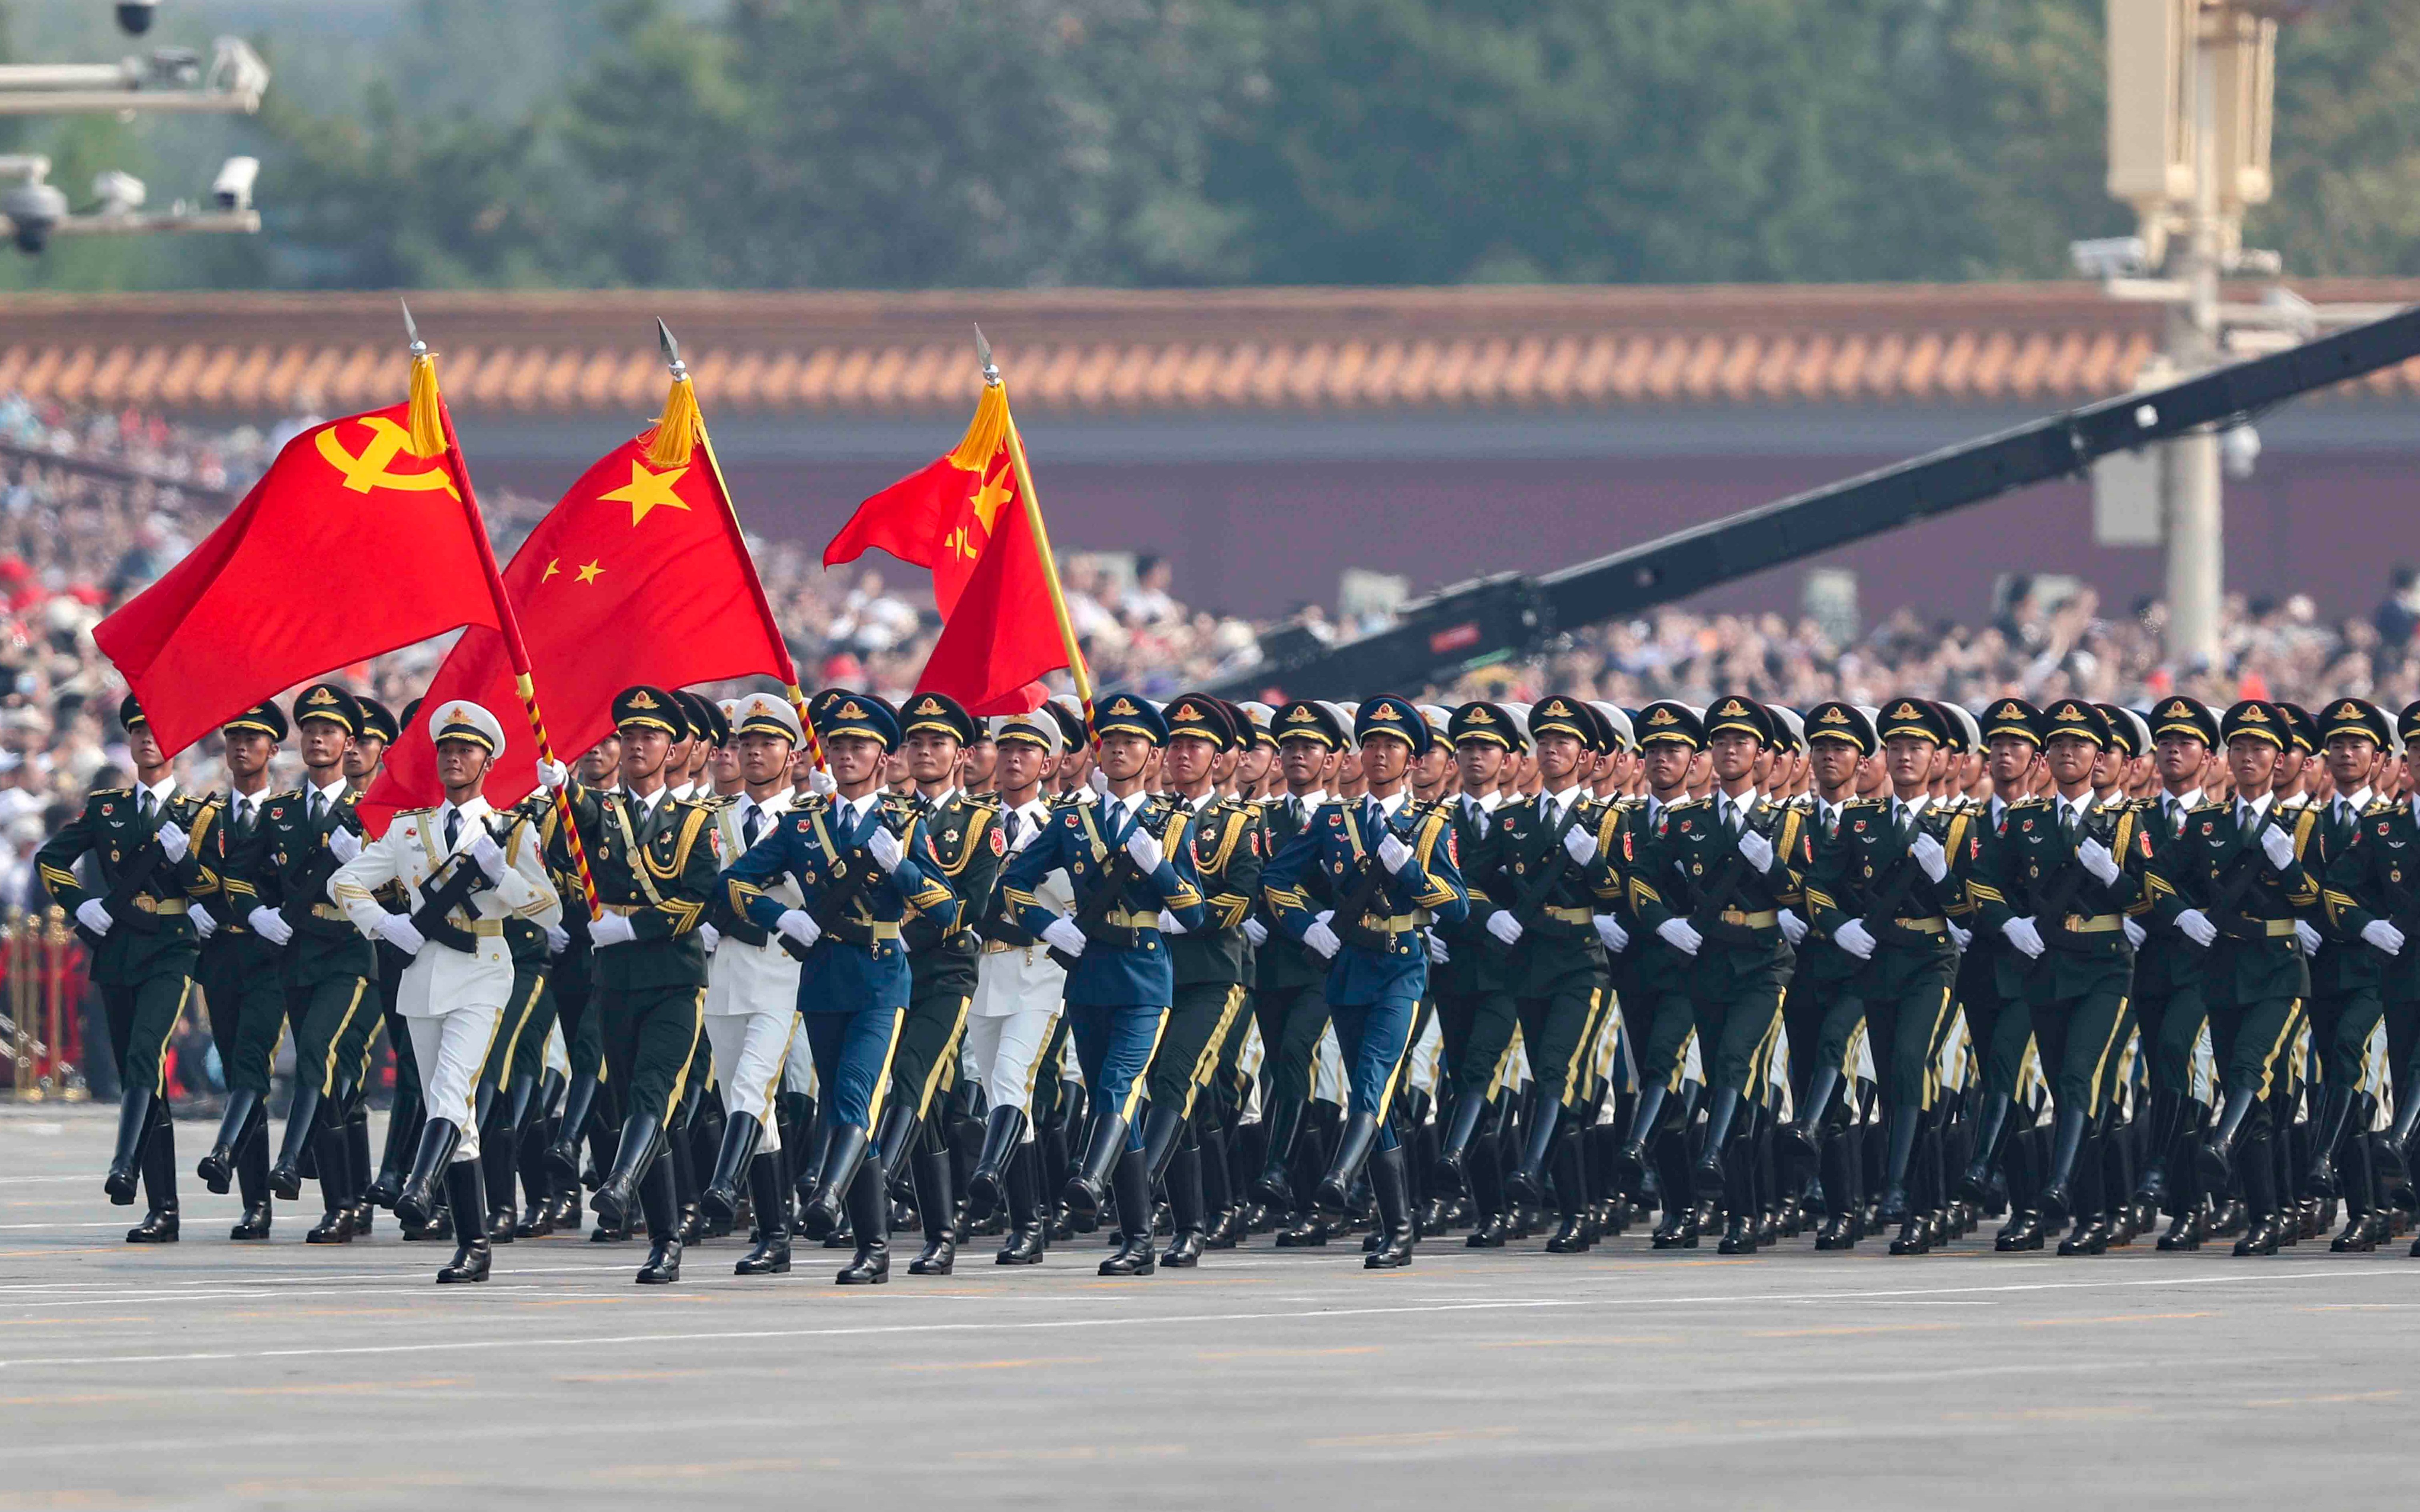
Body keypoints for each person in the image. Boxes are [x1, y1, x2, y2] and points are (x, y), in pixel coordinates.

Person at [719, 690, 953, 1285]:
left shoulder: (905, 821)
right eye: (839, 744)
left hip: (879, 979)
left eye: (860, 746)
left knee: (856, 1096)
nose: (847, 754)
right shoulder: (804, 824)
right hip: (822, 978)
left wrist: (901, 866)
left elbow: (948, 910)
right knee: (839, 1108)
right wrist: (780, 917)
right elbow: (733, 886)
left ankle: (827, 1199)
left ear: (884, 757)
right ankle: (873, 1248)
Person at [330, 699, 559, 1283]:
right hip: (424, 972)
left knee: (454, 1087)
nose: (455, 758)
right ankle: (474, 1246)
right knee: (449, 1108)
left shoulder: (511, 829)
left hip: (485, 967)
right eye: (448, 750)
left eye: (467, 750)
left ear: (488, 762)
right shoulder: (412, 828)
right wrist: (384, 925)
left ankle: (419, 1183)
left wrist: (501, 874)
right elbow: (346, 881)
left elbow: (549, 907)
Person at [998, 693, 1207, 1276]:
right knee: (1118, 1108)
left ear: (1153, 754)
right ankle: (1138, 1239)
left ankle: (1089, 1179)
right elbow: (1014, 885)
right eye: (1110, 741)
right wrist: (1050, 926)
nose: (1119, 750)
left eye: (1132, 742)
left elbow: (1195, 914)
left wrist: (1159, 866)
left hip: (1144, 979)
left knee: (1116, 1089)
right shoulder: (1071, 820)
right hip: (1088, 977)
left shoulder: (1171, 822)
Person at [1262, 694, 1468, 1269]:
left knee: (1371, 1087)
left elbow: (1458, 908)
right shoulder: (1335, 819)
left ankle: (1339, 1177)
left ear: (1413, 758)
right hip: (1348, 968)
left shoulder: (1430, 826)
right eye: (1372, 744)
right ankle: (1398, 1228)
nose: (1380, 755)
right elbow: (1277, 880)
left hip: (1403, 967)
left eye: (1392, 747)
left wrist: (1412, 874)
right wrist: (1310, 927)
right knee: (1373, 1100)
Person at [537, 686, 720, 1284]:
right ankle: (665, 1241)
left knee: (654, 1092)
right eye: (629, 736)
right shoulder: (602, 811)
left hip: (674, 977)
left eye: (650, 737)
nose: (638, 745)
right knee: (639, 1106)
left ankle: (619, 1181)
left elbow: (698, 897)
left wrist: (633, 926)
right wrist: (561, 787)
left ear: (672, 749)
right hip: (613, 980)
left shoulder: (697, 820)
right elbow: (581, 818)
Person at [1967, 700, 2150, 1254]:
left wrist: (2115, 878)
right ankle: (2075, 1208)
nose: (2070, 752)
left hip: (2105, 967)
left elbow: (2154, 897)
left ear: (2099, 758)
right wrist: (2009, 923)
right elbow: (1980, 883)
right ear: (2046, 758)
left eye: (2082, 745)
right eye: (2061, 745)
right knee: (2054, 1088)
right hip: (2043, 967)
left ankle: (2065, 1191)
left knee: (2079, 1080)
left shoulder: (2127, 823)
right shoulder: (2025, 821)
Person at [35, 694, 213, 1242]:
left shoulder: (200, 813)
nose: (146, 741)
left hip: (171, 946)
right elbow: (50, 859)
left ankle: (124, 1162)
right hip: (118, 950)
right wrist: (77, 904)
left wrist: (189, 864)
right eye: (136, 732)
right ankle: (164, 1210)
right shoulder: (108, 807)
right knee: (144, 1072)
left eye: (156, 731)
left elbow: (218, 887)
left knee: (145, 1053)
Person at [2148, 699, 2324, 1256]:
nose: (2249, 757)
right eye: (2241, 748)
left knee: (2252, 1067)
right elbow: (2158, 877)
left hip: (2278, 970)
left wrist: (2289, 864)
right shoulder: (2206, 825)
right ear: (2227, 758)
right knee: (2257, 1101)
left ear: (2280, 760)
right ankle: (2266, 1218)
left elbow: (2314, 901)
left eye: (2261, 749)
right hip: (2221, 970)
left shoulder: (2304, 824)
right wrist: (2183, 914)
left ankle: (2219, 1142)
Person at [1634, 696, 1806, 1255]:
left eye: (1742, 742)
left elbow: (1809, 895)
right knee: (1731, 1084)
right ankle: (1742, 1213)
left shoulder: (1785, 821)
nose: (1731, 750)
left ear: (1762, 754)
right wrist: (1666, 925)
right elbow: (1640, 881)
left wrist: (1774, 870)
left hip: (1764, 962)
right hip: (1707, 963)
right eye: (1722, 742)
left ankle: (1712, 1157)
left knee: (1734, 1065)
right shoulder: (1688, 822)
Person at [1467, 695, 1615, 1253]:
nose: (1552, 750)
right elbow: (1472, 883)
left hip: (1582, 961)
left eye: (1564, 742)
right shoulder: (1513, 819)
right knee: (1554, 1082)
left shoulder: (1606, 819)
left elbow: (1619, 892)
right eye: (1545, 742)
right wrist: (1493, 915)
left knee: (1559, 1072)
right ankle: (1575, 1211)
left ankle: (1537, 1174)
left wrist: (1594, 862)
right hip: (1528, 962)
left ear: (1586, 755)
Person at [879, 691, 1004, 1278]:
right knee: (925, 1109)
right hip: (882, 974)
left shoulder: (982, 822)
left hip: (944, 973)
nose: (926, 752)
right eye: (917, 743)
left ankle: (874, 1179)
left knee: (913, 1077)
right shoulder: (884, 814)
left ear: (962, 754)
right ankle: (942, 1234)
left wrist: (904, 937)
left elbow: (970, 907)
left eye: (938, 743)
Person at [255, 682, 382, 1243]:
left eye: (328, 731)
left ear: (348, 742)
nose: (317, 739)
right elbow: (245, 873)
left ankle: (290, 1159)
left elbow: (409, 887)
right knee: (330, 1080)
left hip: (351, 953)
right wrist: (256, 913)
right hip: (299, 953)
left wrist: (373, 866)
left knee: (316, 1052)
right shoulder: (281, 811)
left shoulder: (374, 814)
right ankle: (346, 1203)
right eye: (309, 731)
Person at [1141, 693, 1264, 1268]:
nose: (1184, 754)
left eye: (1197, 746)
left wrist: (1187, 914)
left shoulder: (1238, 822)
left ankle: (1137, 1189)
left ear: (1218, 759)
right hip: (1151, 973)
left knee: (1177, 1080)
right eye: (1177, 745)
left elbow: (1241, 897)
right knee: (1178, 1096)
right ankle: (1190, 1223)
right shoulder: (1145, 817)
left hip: (1215, 973)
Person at [696, 692, 808, 1276]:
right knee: (750, 1103)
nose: (756, 753)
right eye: (747, 742)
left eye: (769, 743)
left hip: (782, 975)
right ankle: (774, 1233)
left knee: (753, 1089)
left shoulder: (811, 820)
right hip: (725, 975)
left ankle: (723, 1184)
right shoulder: (712, 818)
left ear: (792, 755)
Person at [963, 709, 1071, 1264]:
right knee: (1000, 1093)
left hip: (1038, 971)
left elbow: (1073, 907)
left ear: (1048, 763)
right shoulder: (972, 822)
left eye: (1026, 752)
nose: (1012, 760)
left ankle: (996, 1183)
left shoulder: (1064, 824)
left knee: (1010, 1081)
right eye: (1005, 750)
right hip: (984, 972)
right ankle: (1029, 1220)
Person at [1246, 699, 1349, 1245]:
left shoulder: (1348, 819)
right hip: (1273, 964)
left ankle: (1280, 1171)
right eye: (1288, 748)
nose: (1297, 756)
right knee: (1286, 1075)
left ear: (1331, 758)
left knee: (1298, 1059)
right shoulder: (1260, 818)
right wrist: (1249, 917)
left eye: (1309, 748)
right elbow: (1245, 877)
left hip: (1328, 965)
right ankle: (1307, 1199)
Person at [189, 702, 291, 1241]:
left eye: (253, 739)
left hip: (271, 957)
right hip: (223, 956)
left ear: (273, 750)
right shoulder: (208, 816)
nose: (241, 747)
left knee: (254, 1061)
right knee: (238, 1074)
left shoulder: (289, 810)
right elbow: (192, 875)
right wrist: (195, 903)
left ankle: (226, 1155)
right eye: (234, 738)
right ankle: (256, 1205)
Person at [1778, 699, 1878, 1249]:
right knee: (1810, 1079)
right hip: (1805, 968)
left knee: (1835, 1058)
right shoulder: (1792, 822)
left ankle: (1847, 1208)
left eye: (1840, 749)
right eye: (1820, 748)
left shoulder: (1877, 821)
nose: (1828, 757)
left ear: (1862, 761)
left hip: (1861, 967)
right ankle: (1842, 1204)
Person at [1430, 700, 1527, 1247]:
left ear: (1508, 759)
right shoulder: (1436, 821)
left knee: (1482, 1075)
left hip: (1509, 973)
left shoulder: (1526, 821)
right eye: (1465, 748)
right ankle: (1492, 1208)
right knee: (1466, 1078)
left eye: (1486, 749)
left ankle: (1457, 1160)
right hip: (1454, 968)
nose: (1473, 757)